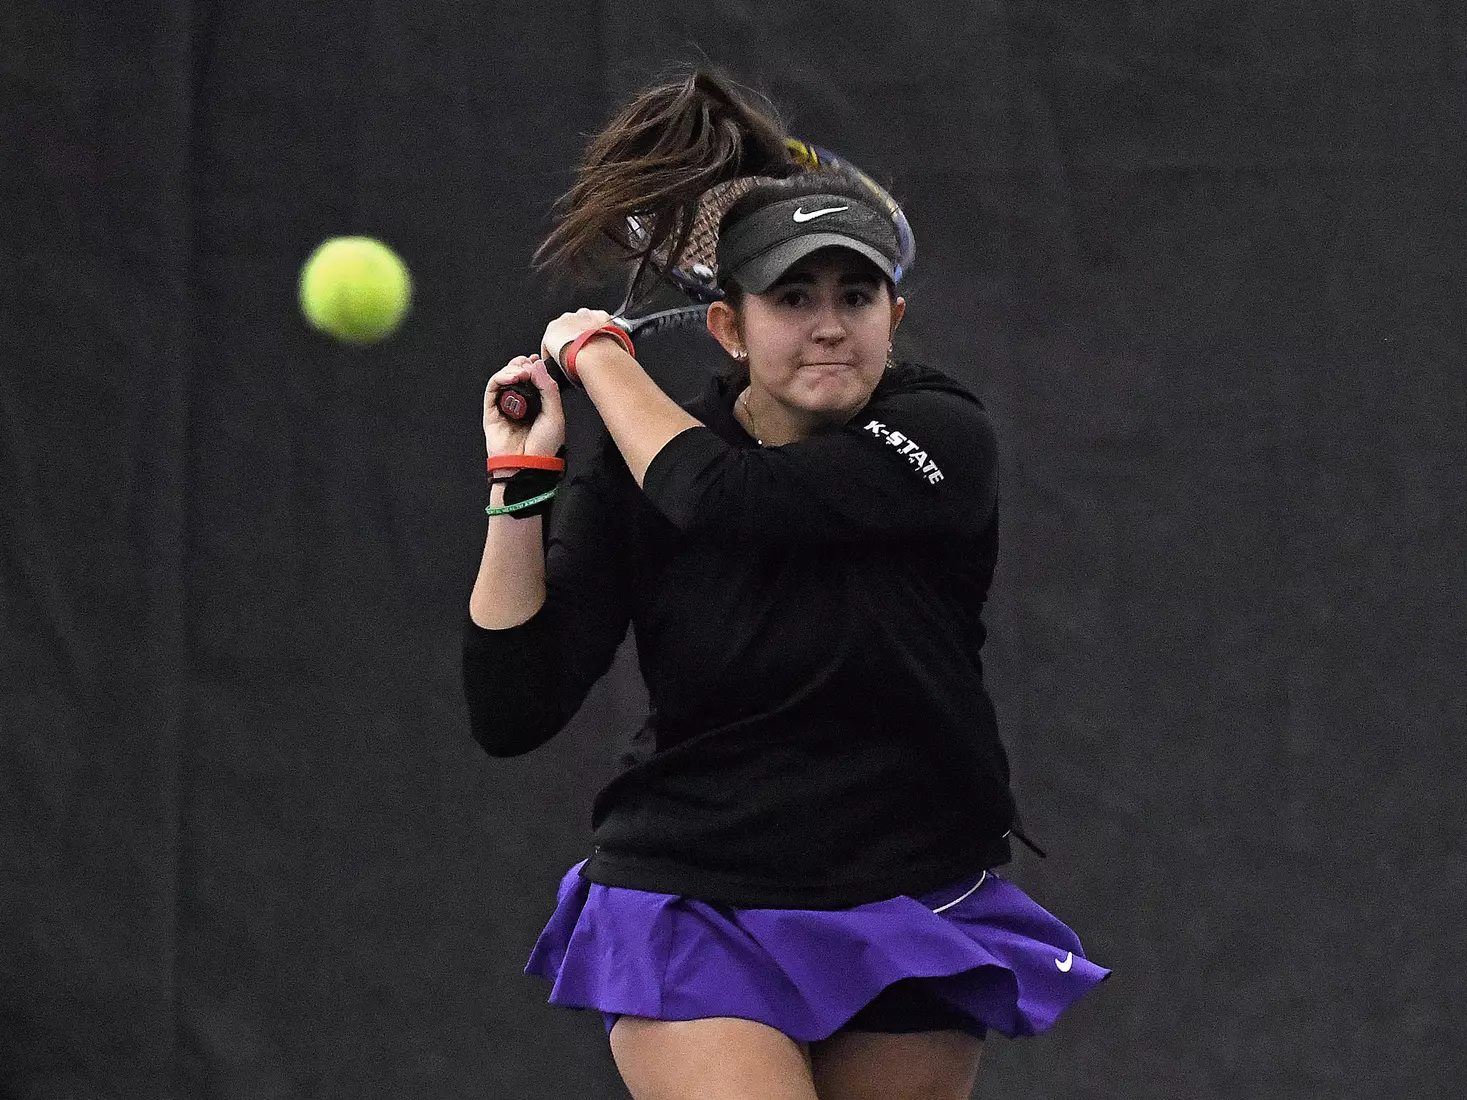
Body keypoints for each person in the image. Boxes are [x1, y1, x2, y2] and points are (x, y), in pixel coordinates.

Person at [463, 70, 1107, 1100]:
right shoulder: (650, 461)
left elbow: (723, 496)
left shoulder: (941, 433)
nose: (828, 325)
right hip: (696, 894)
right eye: (793, 297)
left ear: (894, 316)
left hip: (912, 893)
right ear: (728, 327)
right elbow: (512, 703)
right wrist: (519, 481)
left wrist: (594, 355)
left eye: (855, 296)